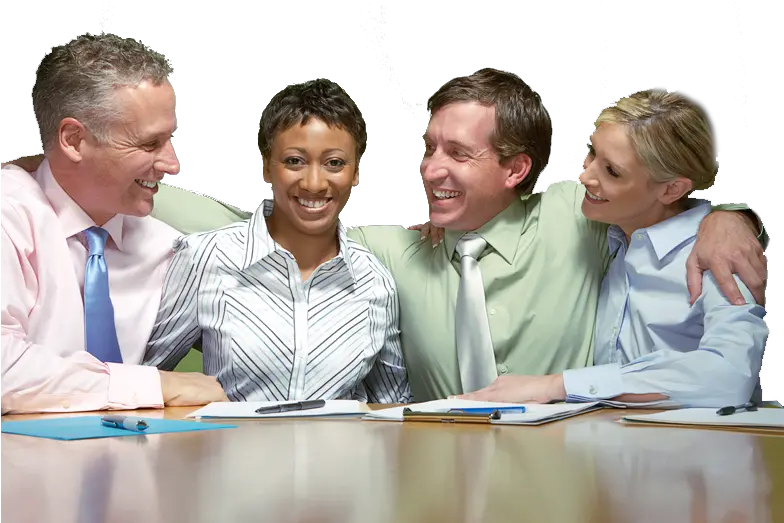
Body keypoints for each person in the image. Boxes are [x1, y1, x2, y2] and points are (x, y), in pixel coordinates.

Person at [10, 68, 768, 403]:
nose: (432, 171)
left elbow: (656, 198)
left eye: (458, 155)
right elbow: (234, 223)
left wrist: (730, 214)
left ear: (517, 169)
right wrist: (50, 165)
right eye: (427, 149)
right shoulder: (385, 253)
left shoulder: (581, 212)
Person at [455, 89, 767, 407]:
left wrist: (557, 385)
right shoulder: (611, 235)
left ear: (672, 189)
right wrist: (449, 214)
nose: (586, 176)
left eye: (612, 171)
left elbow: (729, 375)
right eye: (592, 153)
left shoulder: (716, 255)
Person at [142, 80, 411, 403]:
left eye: (335, 163)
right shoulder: (207, 258)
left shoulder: (374, 282)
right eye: (295, 161)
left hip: (342, 453)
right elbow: (140, 381)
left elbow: (393, 408)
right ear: (267, 167)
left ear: (355, 173)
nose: (314, 183)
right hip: (232, 452)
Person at [0, 33, 227, 414]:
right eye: (149, 144)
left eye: (169, 139)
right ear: (74, 140)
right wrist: (155, 384)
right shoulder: (10, 213)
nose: (172, 164)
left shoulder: (169, 249)